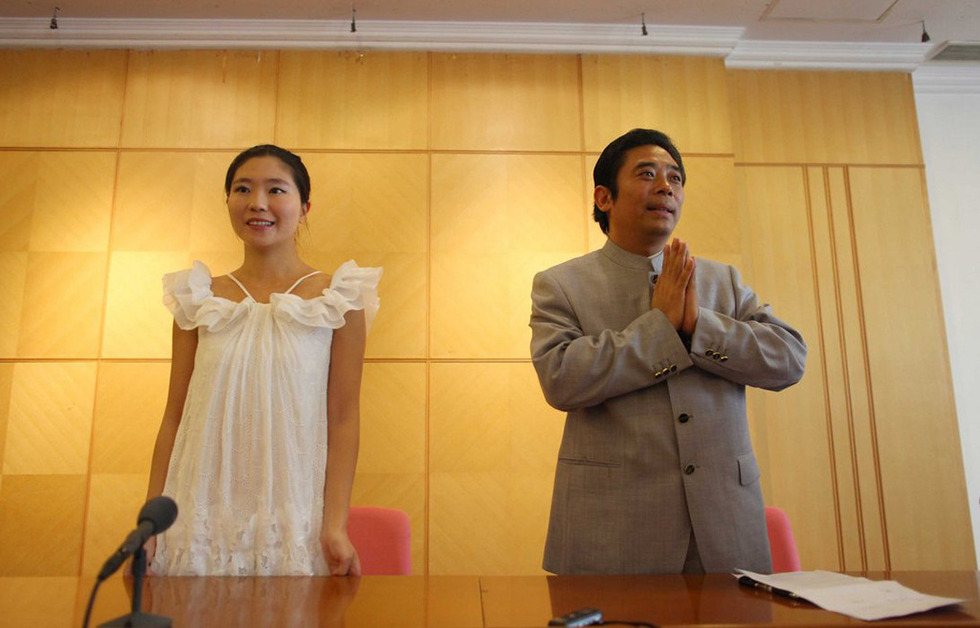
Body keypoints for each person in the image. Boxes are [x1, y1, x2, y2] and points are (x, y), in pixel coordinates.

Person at [529, 128, 806, 575]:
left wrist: (699, 327)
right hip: (612, 531)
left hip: (725, 530)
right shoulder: (562, 284)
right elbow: (562, 379)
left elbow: (789, 360)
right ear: (604, 197)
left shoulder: (723, 281)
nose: (665, 187)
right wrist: (660, 328)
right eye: (647, 174)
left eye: (675, 178)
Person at [144, 144, 381, 576]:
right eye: (242, 189)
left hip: (291, 521)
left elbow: (344, 418)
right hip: (197, 519)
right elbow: (175, 417)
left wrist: (335, 525)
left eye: (276, 189)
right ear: (228, 202)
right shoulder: (199, 298)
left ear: (304, 207)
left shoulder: (339, 298)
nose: (257, 202)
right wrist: (149, 526)